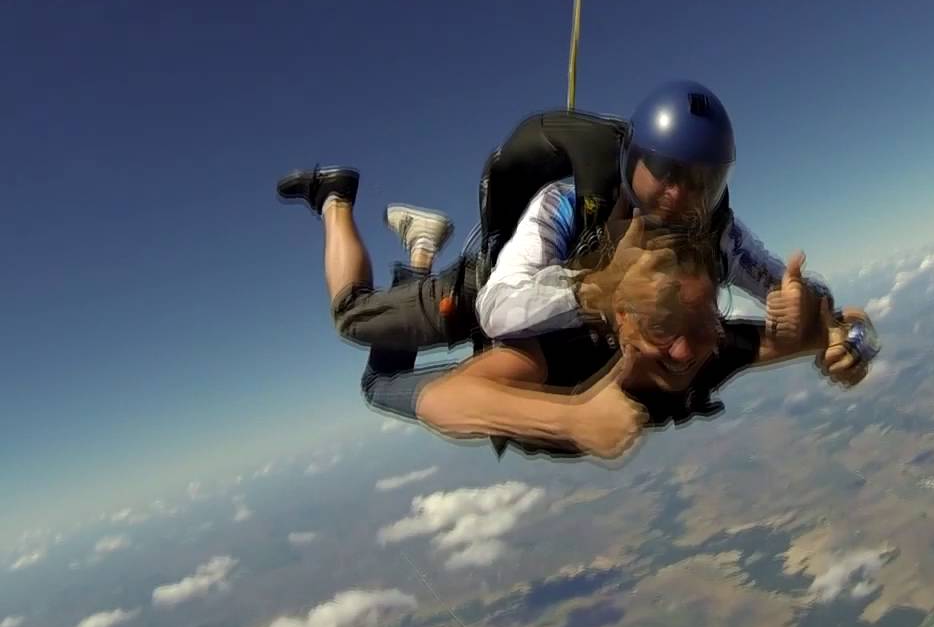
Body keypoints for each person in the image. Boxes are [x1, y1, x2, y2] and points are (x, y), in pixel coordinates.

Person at [276, 80, 868, 386]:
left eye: (700, 182)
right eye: (664, 171)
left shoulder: (718, 234)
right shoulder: (563, 204)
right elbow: (498, 307)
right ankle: (335, 198)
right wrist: (597, 291)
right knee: (352, 320)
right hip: (477, 291)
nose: (678, 195)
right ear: (633, 159)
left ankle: (421, 242)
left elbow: (796, 294)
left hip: (549, 320)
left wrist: (830, 326)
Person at [359, 207, 868, 461]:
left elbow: (832, 332)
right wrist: (573, 418)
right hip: (498, 315)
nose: (684, 350)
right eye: (661, 325)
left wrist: (853, 342)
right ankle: (409, 248)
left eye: (701, 321)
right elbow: (445, 400)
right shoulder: (566, 353)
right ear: (620, 318)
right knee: (378, 385)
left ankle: (419, 253)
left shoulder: (712, 346)